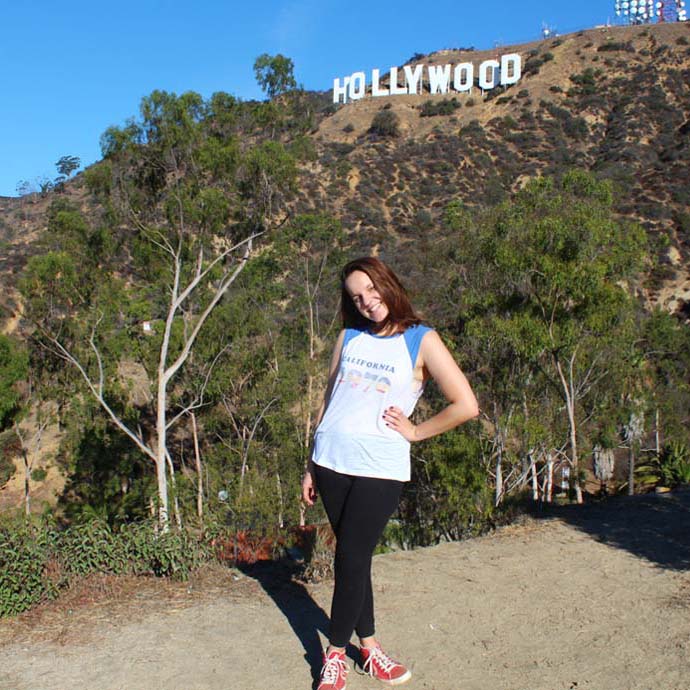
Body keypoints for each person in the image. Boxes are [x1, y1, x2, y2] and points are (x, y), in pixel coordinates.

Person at [302, 256, 479, 690]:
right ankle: (372, 649)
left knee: (351, 556)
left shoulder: (421, 339)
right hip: (331, 461)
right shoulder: (349, 337)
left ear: (387, 283)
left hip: (380, 466)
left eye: (371, 290)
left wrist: (417, 431)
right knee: (354, 559)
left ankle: (336, 654)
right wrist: (309, 463)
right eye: (356, 297)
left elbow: (466, 404)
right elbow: (328, 401)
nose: (366, 302)